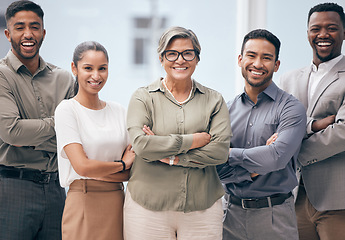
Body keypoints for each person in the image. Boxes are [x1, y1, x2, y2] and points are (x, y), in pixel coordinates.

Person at [125, 26, 231, 240]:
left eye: (188, 53)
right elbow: (141, 145)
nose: (180, 60)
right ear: (161, 58)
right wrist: (194, 140)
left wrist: (171, 157)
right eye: (172, 53)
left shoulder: (214, 100)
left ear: (197, 58)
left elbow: (219, 152)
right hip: (147, 209)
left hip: (203, 208)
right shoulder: (143, 97)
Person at [217, 29, 307, 240]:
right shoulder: (225, 111)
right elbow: (215, 169)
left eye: (266, 58)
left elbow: (275, 158)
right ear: (240, 59)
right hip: (229, 216)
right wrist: (251, 171)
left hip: (274, 217)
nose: (257, 64)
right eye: (251, 55)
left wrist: (228, 153)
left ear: (276, 65)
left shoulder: (291, 108)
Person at [0, 1, 74, 239]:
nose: (28, 34)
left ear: (44, 32)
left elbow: (77, 136)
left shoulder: (64, 79)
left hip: (55, 190)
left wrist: (30, 137)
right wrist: (61, 124)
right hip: (12, 188)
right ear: (8, 33)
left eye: (35, 26)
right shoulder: (2, 75)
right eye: (20, 27)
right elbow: (12, 132)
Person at [54, 41, 135, 240]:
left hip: (117, 201)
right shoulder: (67, 110)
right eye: (88, 68)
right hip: (83, 200)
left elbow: (133, 171)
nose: (96, 76)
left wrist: (95, 171)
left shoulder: (119, 111)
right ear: (74, 68)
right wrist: (121, 164)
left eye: (102, 69)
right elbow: (82, 167)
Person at [279, 3, 345, 240]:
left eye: (332, 28)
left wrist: (291, 152)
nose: (323, 35)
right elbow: (278, 127)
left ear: (344, 32)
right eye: (315, 28)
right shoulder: (287, 80)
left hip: (337, 200)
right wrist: (313, 125)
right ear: (307, 33)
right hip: (294, 199)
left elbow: (343, 132)